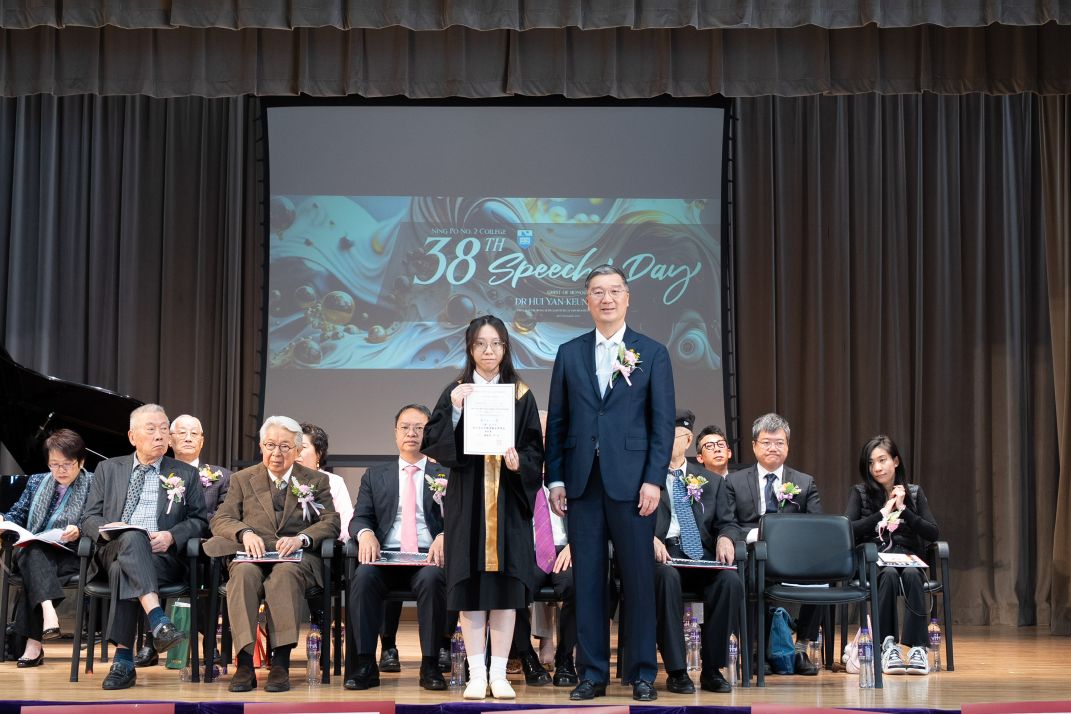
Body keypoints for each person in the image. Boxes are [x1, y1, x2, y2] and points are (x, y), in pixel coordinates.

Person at [545, 264, 675, 702]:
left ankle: (641, 673)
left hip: (634, 485)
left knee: (638, 579)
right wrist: (556, 478)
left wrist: (654, 480)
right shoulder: (569, 353)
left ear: (627, 298)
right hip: (582, 483)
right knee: (588, 582)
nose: (607, 299)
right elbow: (558, 422)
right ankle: (592, 673)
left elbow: (661, 425)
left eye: (614, 291)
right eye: (598, 292)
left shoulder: (652, 352)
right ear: (587, 301)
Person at [422, 314, 545, 700]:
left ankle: (500, 674)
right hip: (468, 502)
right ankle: (477, 675)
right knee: (470, 589)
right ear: (470, 348)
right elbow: (434, 443)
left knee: (506, 592)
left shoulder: (521, 394)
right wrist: (457, 411)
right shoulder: (456, 391)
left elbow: (535, 450)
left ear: (505, 348)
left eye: (495, 343)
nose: (488, 351)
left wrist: (520, 463)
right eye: (480, 344)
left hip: (508, 503)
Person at [206, 415, 340, 693]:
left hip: (296, 558)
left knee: (284, 574)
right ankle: (245, 664)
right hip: (252, 555)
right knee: (242, 575)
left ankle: (281, 663)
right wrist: (244, 533)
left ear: (297, 449)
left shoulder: (315, 480)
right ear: (261, 446)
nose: (276, 453)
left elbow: (331, 522)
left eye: (284, 446)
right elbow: (221, 519)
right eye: (270, 445)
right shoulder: (243, 479)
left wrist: (302, 538)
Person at [79, 404, 207, 690]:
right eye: (151, 429)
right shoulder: (108, 468)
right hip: (114, 546)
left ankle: (123, 661)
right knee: (133, 536)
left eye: (164, 429)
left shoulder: (185, 473)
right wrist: (110, 529)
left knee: (122, 570)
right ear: (132, 436)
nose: (160, 435)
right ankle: (158, 619)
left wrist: (172, 535)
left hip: (161, 557)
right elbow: (88, 517)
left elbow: (200, 520)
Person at [344, 404, 449, 692]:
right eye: (405, 427)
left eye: (419, 428)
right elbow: (360, 517)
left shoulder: (447, 474)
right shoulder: (375, 475)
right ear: (395, 433)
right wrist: (365, 534)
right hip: (386, 558)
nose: (411, 433)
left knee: (433, 579)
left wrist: (446, 534)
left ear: (430, 433)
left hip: (428, 557)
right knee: (363, 577)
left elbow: (462, 517)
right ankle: (366, 664)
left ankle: (430, 665)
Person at [724, 412, 822, 676]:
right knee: (749, 573)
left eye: (779, 442)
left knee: (823, 573)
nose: (773, 448)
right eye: (766, 442)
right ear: (754, 446)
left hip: (793, 555)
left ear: (787, 446)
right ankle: (755, 650)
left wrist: (785, 538)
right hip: (752, 553)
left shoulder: (804, 482)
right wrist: (755, 535)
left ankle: (800, 648)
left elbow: (815, 526)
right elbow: (728, 523)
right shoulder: (734, 481)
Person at [653, 410, 742, 694]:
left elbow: (728, 522)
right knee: (666, 578)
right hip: (663, 554)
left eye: (673, 434)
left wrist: (726, 538)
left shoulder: (711, 481)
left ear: (688, 440)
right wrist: (648, 539)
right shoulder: (646, 476)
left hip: (700, 555)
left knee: (729, 580)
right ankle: (677, 670)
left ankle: (712, 669)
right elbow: (630, 519)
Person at [133, 413, 231, 668]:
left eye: (194, 433)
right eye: (182, 433)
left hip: (203, 550)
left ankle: (209, 643)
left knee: (210, 565)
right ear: (169, 440)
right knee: (144, 562)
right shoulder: (154, 473)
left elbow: (222, 517)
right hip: (161, 549)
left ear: (202, 441)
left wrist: (181, 532)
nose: (188, 438)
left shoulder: (222, 476)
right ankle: (151, 641)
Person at [846, 435, 939, 676]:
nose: (876, 468)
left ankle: (917, 648)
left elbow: (932, 532)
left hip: (907, 558)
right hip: (874, 561)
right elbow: (848, 530)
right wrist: (882, 513)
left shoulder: (914, 493)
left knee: (912, 575)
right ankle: (887, 645)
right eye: (871, 463)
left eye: (882, 460)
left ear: (895, 461)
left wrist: (903, 510)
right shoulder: (860, 492)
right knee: (887, 574)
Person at [0, 429, 92, 667]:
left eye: (67, 464)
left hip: (71, 553)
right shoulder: (36, 481)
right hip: (35, 549)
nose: (60, 470)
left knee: (33, 566)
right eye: (54, 464)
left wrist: (80, 529)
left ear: (81, 462)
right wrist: (3, 519)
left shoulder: (93, 483)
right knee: (33, 550)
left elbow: (97, 519)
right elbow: (18, 513)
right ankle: (48, 611)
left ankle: (34, 644)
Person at [510, 410, 578, 688]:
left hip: (567, 548)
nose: (544, 440)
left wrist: (576, 545)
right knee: (510, 585)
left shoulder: (573, 471)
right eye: (538, 434)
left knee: (577, 584)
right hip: (528, 549)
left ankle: (565, 658)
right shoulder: (514, 473)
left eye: (550, 434)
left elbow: (591, 516)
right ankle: (527, 657)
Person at [297, 422, 354, 540]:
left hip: (324, 545)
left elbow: (345, 524)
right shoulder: (284, 479)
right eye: (294, 447)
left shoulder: (334, 482)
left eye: (303, 447)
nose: (297, 452)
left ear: (319, 453)